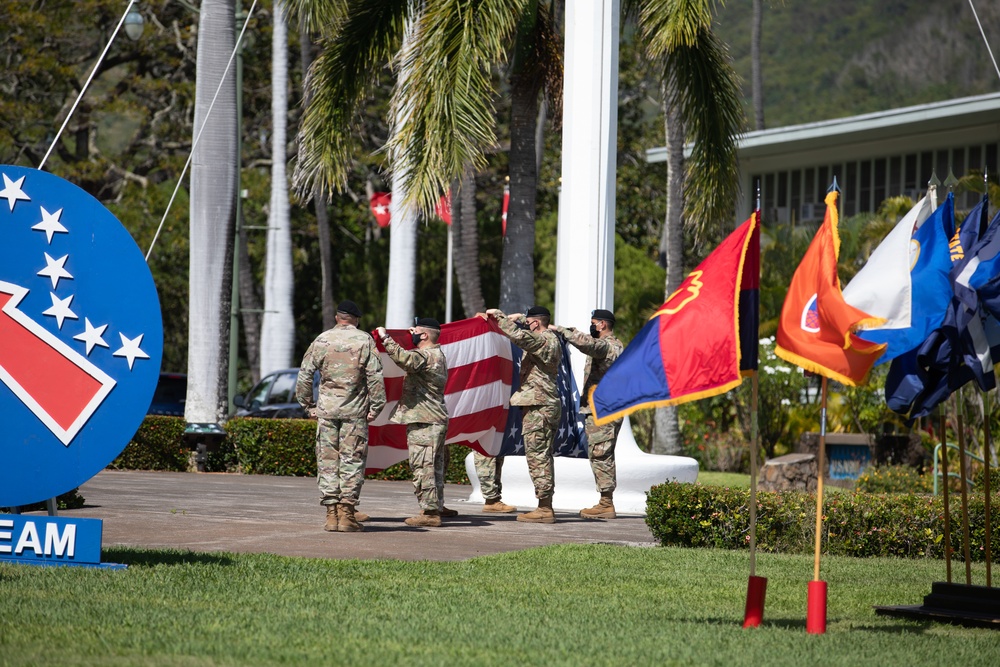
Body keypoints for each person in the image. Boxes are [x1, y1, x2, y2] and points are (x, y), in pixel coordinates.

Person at [296, 300, 386, 533]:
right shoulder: (364, 340)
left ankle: (331, 515)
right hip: (354, 413)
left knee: (327, 463)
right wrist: (376, 408)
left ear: (337, 318)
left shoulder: (322, 340)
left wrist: (309, 406)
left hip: (326, 412)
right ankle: (346, 516)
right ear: (355, 319)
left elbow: (305, 375)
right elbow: (375, 377)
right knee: (352, 461)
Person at [479, 306, 561, 523]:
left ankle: (544, 508)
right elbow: (525, 328)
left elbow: (517, 335)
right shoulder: (549, 338)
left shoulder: (544, 340)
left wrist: (498, 316)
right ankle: (545, 504)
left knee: (538, 457)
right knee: (541, 455)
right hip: (542, 404)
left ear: (535, 324)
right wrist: (522, 318)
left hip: (539, 406)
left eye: (530, 323)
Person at [376, 318, 451, 527]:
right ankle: (436, 506)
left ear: (425, 335)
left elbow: (404, 359)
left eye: (416, 331)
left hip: (424, 420)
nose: (412, 334)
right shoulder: (436, 354)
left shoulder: (425, 355)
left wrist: (385, 337)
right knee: (434, 467)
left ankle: (429, 513)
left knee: (423, 466)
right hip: (433, 418)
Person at [550, 309, 624, 519]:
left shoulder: (609, 345)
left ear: (602, 325)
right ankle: (604, 501)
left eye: (593, 323)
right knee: (598, 454)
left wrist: (563, 331)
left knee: (601, 454)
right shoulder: (611, 345)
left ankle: (606, 504)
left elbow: (589, 345)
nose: (592, 327)